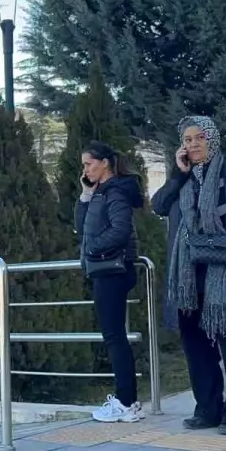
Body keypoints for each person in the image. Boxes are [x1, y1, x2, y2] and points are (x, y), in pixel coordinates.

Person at [152, 116, 226, 436]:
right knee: (196, 346)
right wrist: (178, 174)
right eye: (187, 140)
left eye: (199, 137)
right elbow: (158, 206)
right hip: (189, 274)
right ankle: (207, 409)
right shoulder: (183, 176)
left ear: (212, 138)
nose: (193, 144)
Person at [76, 141, 147, 423]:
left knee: (114, 337)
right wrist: (85, 194)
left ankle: (125, 402)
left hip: (112, 269)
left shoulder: (115, 192)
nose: (85, 169)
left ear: (104, 163)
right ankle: (128, 401)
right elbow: (80, 227)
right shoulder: (100, 192)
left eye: (89, 163)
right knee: (115, 335)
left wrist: (92, 249)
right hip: (106, 269)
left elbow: (120, 230)